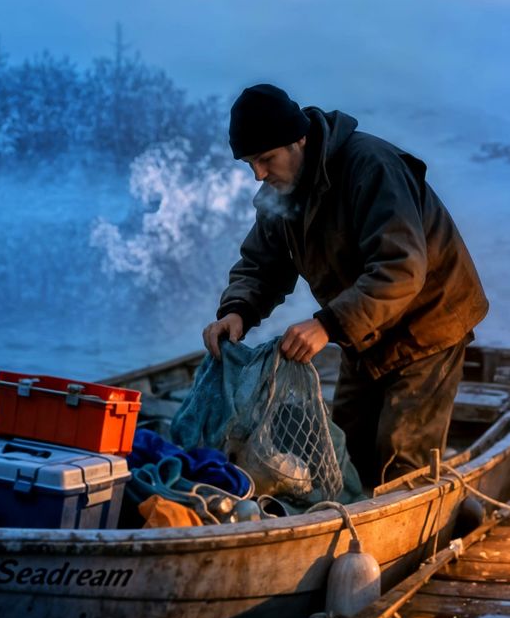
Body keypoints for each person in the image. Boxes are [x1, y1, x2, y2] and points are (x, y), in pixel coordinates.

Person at [202, 83, 488, 489]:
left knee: (400, 458)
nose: (258, 174)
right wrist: (238, 311)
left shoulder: (372, 167)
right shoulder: (280, 192)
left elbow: (401, 268)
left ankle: (412, 533)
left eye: (265, 159)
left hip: (428, 323)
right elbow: (262, 263)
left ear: (298, 139)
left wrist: (327, 326)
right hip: (364, 330)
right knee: (345, 449)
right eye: (250, 163)